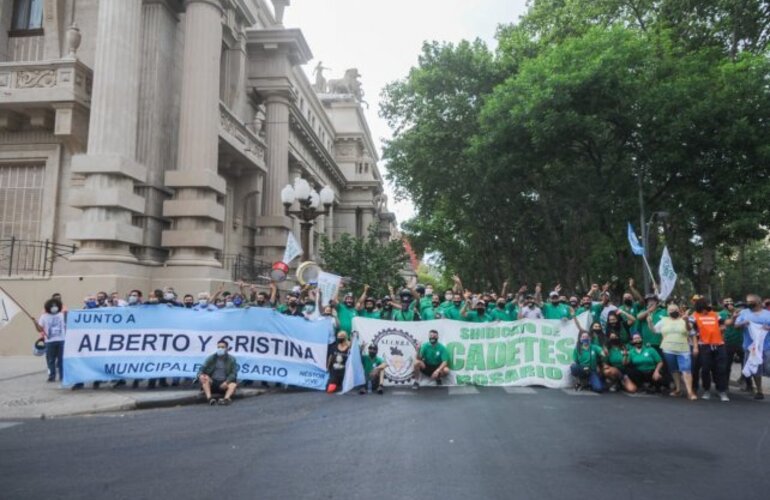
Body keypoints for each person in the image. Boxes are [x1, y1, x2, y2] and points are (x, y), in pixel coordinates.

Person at [653, 303, 697, 400]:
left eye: (675, 309)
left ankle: (690, 392)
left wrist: (685, 321)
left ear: (679, 310)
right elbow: (654, 330)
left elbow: (690, 331)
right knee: (674, 370)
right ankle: (678, 389)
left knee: (686, 370)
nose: (673, 311)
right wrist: (649, 322)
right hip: (668, 349)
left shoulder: (685, 318)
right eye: (670, 310)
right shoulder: (663, 320)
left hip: (683, 349)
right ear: (667, 312)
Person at [691, 297, 729, 401]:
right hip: (704, 345)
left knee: (721, 368)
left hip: (719, 344)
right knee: (706, 369)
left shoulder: (715, 314)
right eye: (702, 308)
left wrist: (722, 329)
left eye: (706, 308)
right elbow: (691, 330)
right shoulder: (694, 316)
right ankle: (706, 390)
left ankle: (721, 391)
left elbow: (723, 325)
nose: (705, 310)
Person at [734, 293, 770, 400]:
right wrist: (743, 323)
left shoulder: (767, 314)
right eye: (747, 301)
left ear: (758, 302)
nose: (749, 304)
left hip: (766, 347)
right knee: (755, 369)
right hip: (750, 348)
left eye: (751, 302)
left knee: (768, 368)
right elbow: (736, 326)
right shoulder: (744, 313)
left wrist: (768, 328)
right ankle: (759, 391)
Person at [719, 298, 750, 391]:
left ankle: (748, 385)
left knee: (746, 364)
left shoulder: (740, 312)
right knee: (727, 365)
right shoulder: (721, 314)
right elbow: (725, 323)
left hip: (742, 342)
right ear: (722, 304)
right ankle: (725, 386)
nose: (729, 304)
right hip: (728, 342)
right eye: (726, 302)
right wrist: (733, 316)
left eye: (730, 302)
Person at [197, 340, 238, 405]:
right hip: (213, 382)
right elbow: (201, 369)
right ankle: (209, 399)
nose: (220, 349)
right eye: (218, 347)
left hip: (224, 383)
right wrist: (200, 375)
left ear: (227, 348)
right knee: (205, 378)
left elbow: (233, 374)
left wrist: (226, 382)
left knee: (233, 385)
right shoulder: (211, 358)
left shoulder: (232, 359)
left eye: (222, 347)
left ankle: (226, 399)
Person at [35, 298, 65, 383]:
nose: (54, 307)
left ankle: (62, 376)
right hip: (49, 341)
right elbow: (40, 329)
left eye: (56, 305)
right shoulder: (44, 316)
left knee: (61, 360)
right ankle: (52, 376)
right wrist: (35, 323)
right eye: (52, 306)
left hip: (61, 340)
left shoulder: (61, 315)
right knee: (51, 360)